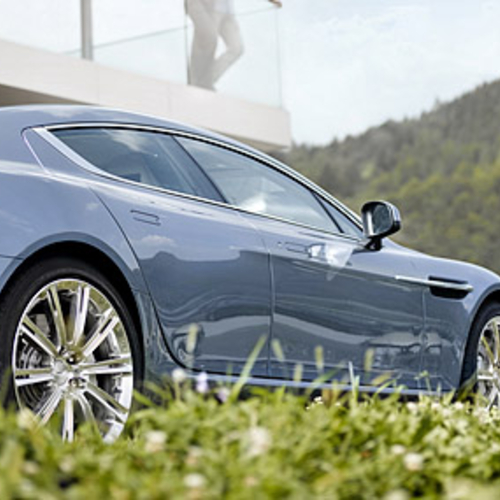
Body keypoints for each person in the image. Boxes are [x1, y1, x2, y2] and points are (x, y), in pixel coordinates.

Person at [186, 0, 282, 90]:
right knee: (208, 43)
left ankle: (206, 80)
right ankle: (200, 81)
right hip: (212, 9)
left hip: (228, 13)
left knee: (237, 48)